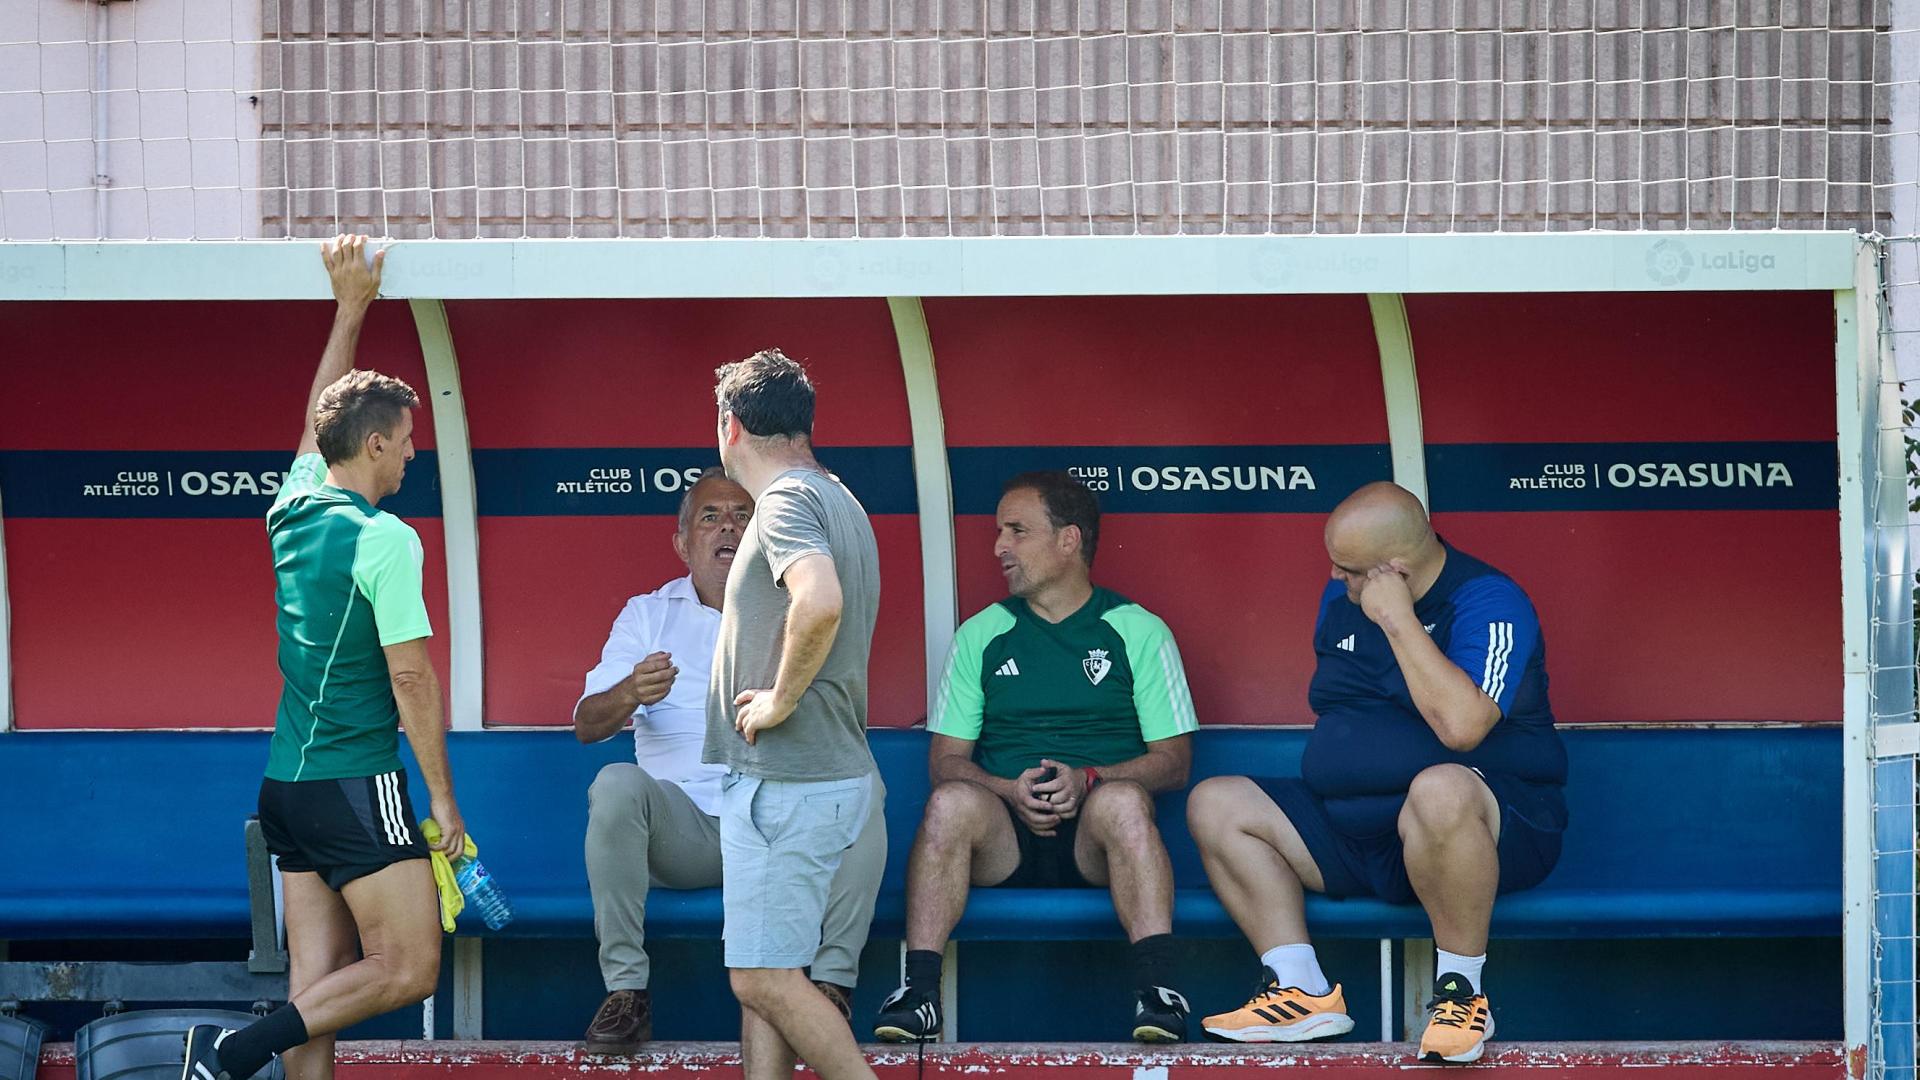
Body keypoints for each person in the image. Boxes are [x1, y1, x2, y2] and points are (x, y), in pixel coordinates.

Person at [184, 235, 465, 1080]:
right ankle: (237, 1048)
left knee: (318, 986)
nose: (415, 452)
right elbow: (411, 676)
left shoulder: (294, 504)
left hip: (287, 790)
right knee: (408, 967)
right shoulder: (386, 539)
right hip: (356, 785)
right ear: (375, 445)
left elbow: (318, 418)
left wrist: (351, 309)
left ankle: (256, 1046)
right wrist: (444, 802)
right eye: (407, 439)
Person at [1188, 481, 1567, 1064]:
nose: (1338, 580)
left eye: (1350, 570)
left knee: (1440, 787)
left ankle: (1461, 994)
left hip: (1484, 830)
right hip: (1357, 834)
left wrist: (1398, 621)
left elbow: (1463, 727)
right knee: (1217, 801)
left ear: (1396, 571)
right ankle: (1299, 989)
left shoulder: (1490, 602)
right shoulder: (1341, 598)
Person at [873, 471, 1199, 1045]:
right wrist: (1008, 789)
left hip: (1095, 839)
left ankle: (1158, 991)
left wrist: (1090, 778)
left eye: (1017, 531)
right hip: (1004, 837)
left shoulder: (1137, 630)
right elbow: (945, 762)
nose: (1000, 546)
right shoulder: (982, 634)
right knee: (950, 803)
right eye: (999, 531)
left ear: (1068, 540)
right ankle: (920, 993)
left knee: (1124, 802)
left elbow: (1174, 762)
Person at [575, 467, 886, 1052]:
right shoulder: (649, 614)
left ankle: (832, 985)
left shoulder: (796, 609)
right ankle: (626, 991)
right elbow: (586, 726)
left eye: (744, 517)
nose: (729, 528)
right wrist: (628, 693)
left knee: (861, 776)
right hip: (689, 832)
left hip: (780, 822)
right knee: (615, 782)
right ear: (682, 541)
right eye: (711, 517)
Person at [704, 349, 886, 1080]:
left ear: (731, 425)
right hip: (808, 778)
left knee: (761, 979)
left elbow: (820, 600)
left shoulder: (784, 502)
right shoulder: (834, 494)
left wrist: (779, 697)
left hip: (791, 781)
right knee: (770, 974)